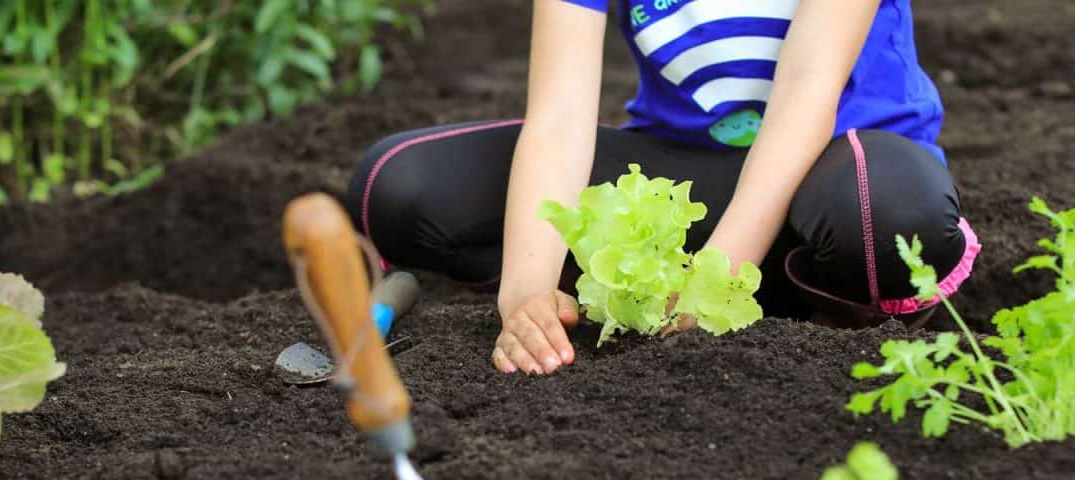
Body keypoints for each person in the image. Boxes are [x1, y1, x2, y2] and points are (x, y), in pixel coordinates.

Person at [342, 0, 981, 375]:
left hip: (835, 168)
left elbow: (807, 88)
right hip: (688, 176)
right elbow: (561, 112)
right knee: (398, 188)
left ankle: (809, 292)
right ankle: (671, 289)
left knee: (890, 222)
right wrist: (526, 294)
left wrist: (718, 275)